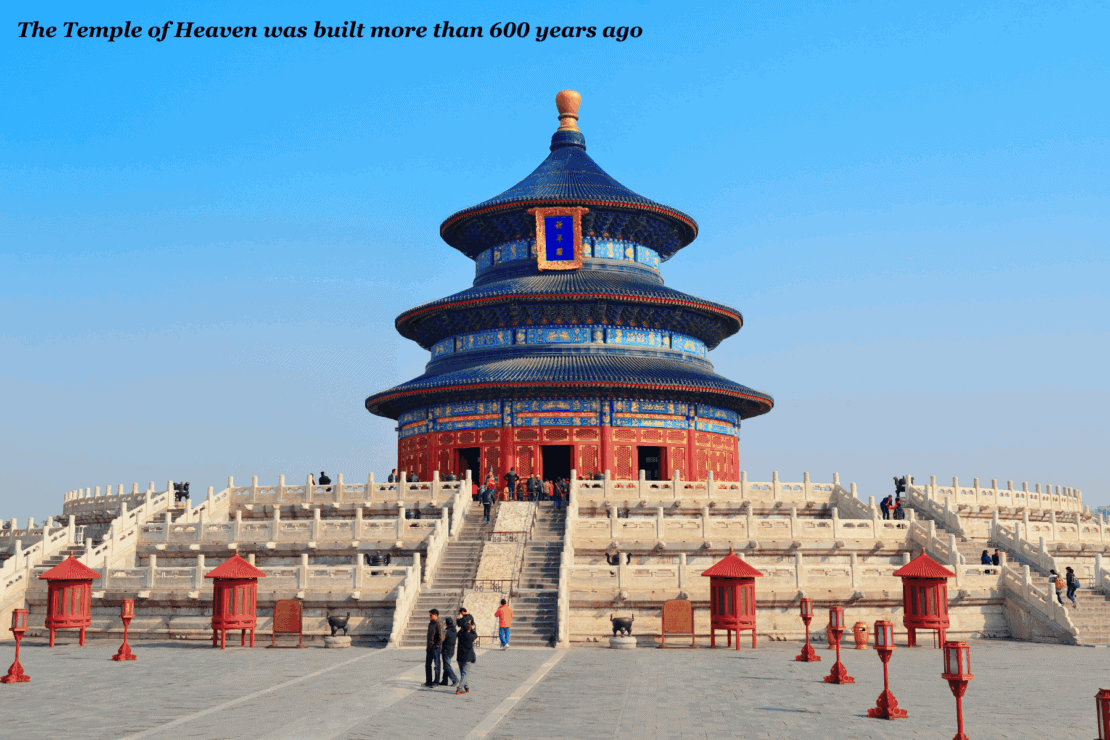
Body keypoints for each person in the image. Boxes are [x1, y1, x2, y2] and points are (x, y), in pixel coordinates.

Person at [455, 618, 477, 695]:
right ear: (469, 629)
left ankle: (466, 687)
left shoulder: (460, 634)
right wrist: (473, 629)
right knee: (465, 674)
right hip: (467, 658)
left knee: (463, 674)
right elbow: (475, 635)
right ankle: (459, 689)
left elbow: (460, 631)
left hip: (459, 657)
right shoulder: (470, 636)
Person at [424, 609, 444, 688]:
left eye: (431, 615)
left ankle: (436, 682)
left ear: (435, 615)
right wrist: (427, 646)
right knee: (428, 665)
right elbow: (429, 637)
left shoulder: (438, 624)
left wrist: (436, 645)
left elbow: (441, 637)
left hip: (436, 648)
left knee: (437, 665)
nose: (430, 616)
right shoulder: (430, 623)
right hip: (429, 647)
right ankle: (428, 681)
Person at [439, 616, 459, 686]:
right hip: (452, 650)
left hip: (446, 650)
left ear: (446, 624)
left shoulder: (447, 631)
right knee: (446, 665)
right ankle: (445, 680)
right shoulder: (454, 630)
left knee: (447, 666)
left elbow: (442, 639)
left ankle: (455, 679)